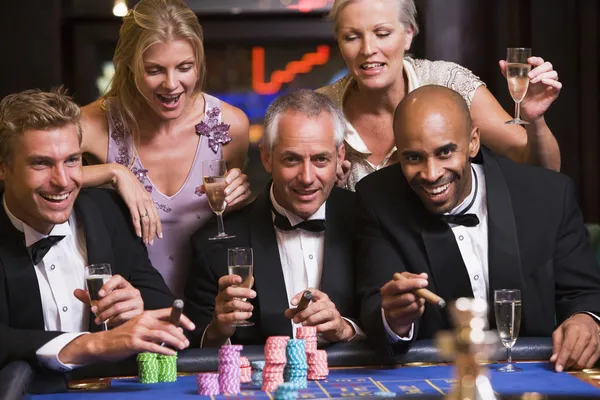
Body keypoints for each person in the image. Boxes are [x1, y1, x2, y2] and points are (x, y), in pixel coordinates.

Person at [355, 85, 600, 371]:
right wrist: (394, 319)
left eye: (445, 152)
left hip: (537, 376)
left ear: (473, 142)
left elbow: (584, 293)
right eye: (413, 158)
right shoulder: (378, 199)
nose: (431, 174)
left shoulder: (547, 195)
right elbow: (375, 302)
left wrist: (586, 318)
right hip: (439, 380)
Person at [0, 88, 195, 371]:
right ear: (4, 168)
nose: (63, 181)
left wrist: (136, 312)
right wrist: (92, 344)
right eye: (41, 163)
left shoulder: (109, 212)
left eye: (71, 160)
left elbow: (176, 324)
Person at [80, 0, 251, 297]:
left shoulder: (231, 125)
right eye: (154, 70)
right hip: (128, 312)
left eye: (184, 67)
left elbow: (237, 227)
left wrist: (243, 197)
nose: (171, 84)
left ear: (198, 63)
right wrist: (114, 172)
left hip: (209, 311)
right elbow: (25, 175)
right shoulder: (92, 124)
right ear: (129, 64)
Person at [318, 0, 562, 191]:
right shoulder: (319, 110)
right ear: (339, 43)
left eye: (382, 34)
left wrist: (535, 120)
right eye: (352, 37)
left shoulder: (449, 83)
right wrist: (325, 191)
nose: (368, 49)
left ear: (409, 34)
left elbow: (543, 171)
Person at [184, 90, 363, 347]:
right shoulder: (213, 243)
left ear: (340, 157)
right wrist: (218, 330)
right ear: (267, 158)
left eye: (321, 159)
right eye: (291, 159)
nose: (307, 177)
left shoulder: (370, 221)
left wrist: (346, 330)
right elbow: (193, 349)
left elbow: (394, 327)